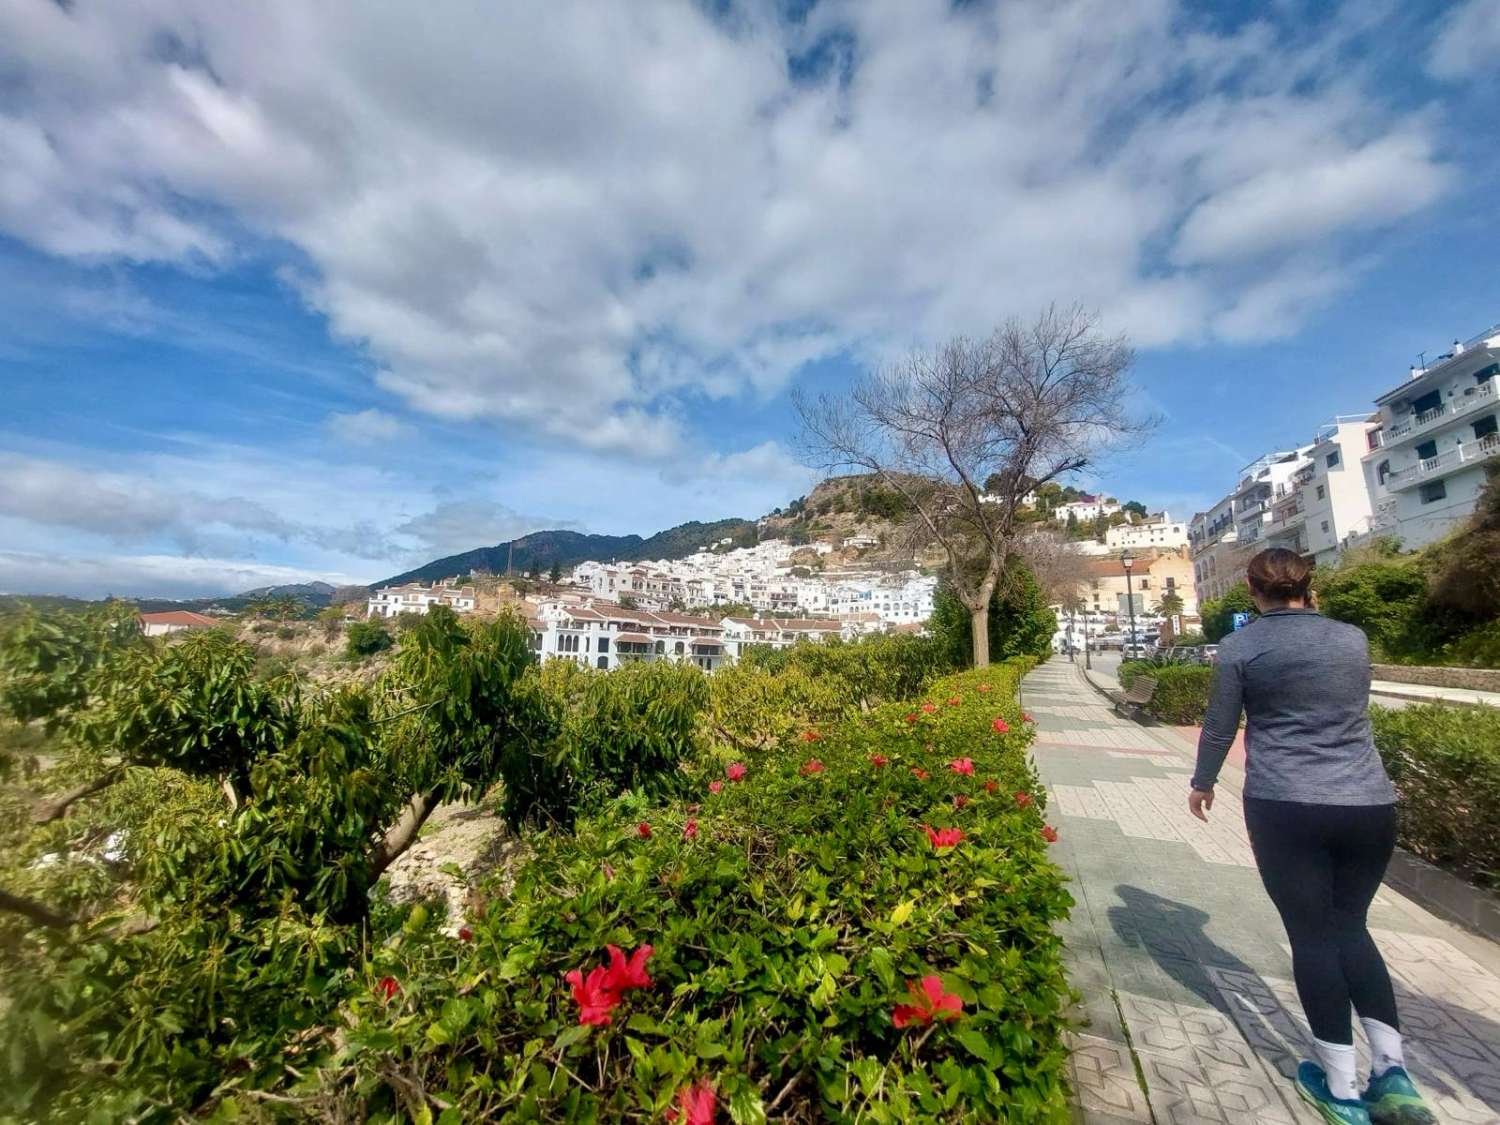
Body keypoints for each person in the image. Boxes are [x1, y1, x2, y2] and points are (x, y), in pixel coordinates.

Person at [1189, 548, 1434, 1125]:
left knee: (1312, 938)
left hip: (1286, 805)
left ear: (1252, 590)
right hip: (1368, 804)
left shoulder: (1241, 647)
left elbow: (1222, 724)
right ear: (1308, 585)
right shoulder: (1352, 640)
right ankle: (1392, 1072)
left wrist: (1202, 783)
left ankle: (1341, 1088)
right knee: (1350, 927)